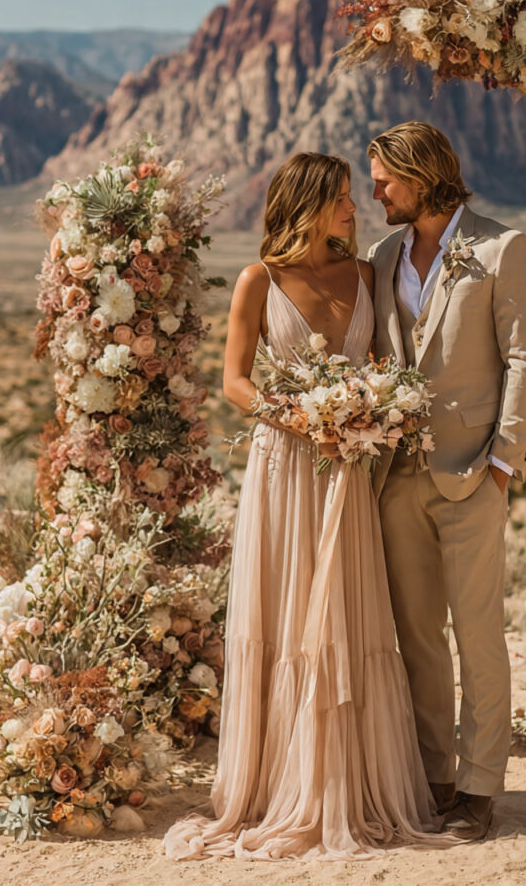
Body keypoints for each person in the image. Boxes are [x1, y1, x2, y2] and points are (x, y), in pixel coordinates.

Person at [164, 152, 440, 860]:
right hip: (285, 467)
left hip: (347, 470)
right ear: (311, 205)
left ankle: (347, 779)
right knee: (282, 613)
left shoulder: (364, 275)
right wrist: (306, 417)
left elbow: (380, 365)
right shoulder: (260, 280)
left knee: (349, 612)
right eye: (343, 199)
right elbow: (233, 383)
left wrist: (366, 411)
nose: (355, 209)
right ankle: (272, 784)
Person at [367, 121, 526, 840]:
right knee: (417, 637)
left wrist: (504, 462)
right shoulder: (382, 256)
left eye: (384, 179)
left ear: (420, 175)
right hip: (396, 479)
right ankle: (435, 775)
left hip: (475, 475)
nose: (375, 191)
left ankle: (480, 787)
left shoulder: (505, 249)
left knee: (478, 636)